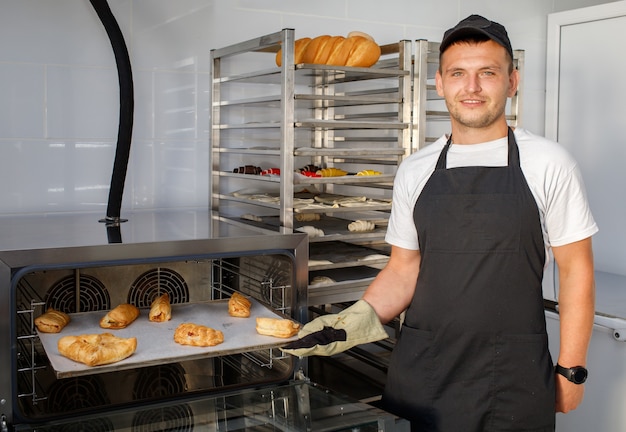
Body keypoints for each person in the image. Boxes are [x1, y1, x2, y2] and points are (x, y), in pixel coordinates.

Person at [283, 14, 597, 432]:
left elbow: (576, 270)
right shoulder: (416, 169)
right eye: (458, 74)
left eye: (487, 73)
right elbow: (403, 268)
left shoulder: (549, 163)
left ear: (511, 81)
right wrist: (355, 318)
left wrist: (571, 369)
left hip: (515, 375)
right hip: (425, 371)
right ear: (439, 82)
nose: (471, 87)